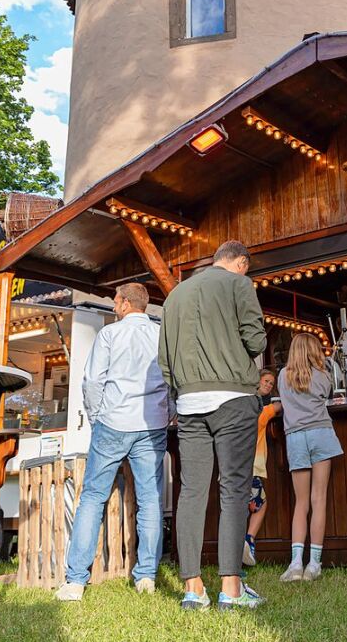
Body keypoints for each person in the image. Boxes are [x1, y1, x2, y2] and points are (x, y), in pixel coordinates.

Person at [159, 239, 267, 612]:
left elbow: (165, 360)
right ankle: (231, 589)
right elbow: (255, 340)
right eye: (246, 268)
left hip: (188, 402)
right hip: (233, 397)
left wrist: (181, 390)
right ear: (240, 262)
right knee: (234, 490)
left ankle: (193, 588)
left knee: (191, 491)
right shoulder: (240, 284)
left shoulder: (175, 296)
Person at [56, 283, 171, 601]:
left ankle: (76, 581)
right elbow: (172, 379)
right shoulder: (161, 335)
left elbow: (93, 381)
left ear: (124, 304)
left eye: (116, 301)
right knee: (150, 500)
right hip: (151, 424)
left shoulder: (109, 334)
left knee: (92, 498)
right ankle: (146, 576)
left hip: (113, 422)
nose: (114, 305)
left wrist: (96, 417)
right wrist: (168, 412)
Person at [278, 333, 343, 582]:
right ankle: (313, 564)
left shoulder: (283, 376)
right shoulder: (322, 376)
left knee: (301, 502)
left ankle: (295, 563)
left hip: (295, 437)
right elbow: (329, 391)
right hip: (320, 433)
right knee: (319, 499)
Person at [242, 369, 280, 566]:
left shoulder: (241, 407)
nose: (268, 385)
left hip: (236, 467)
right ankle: (248, 540)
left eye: (272, 384)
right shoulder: (261, 412)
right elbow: (279, 408)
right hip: (252, 468)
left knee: (242, 504)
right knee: (260, 505)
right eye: (266, 381)